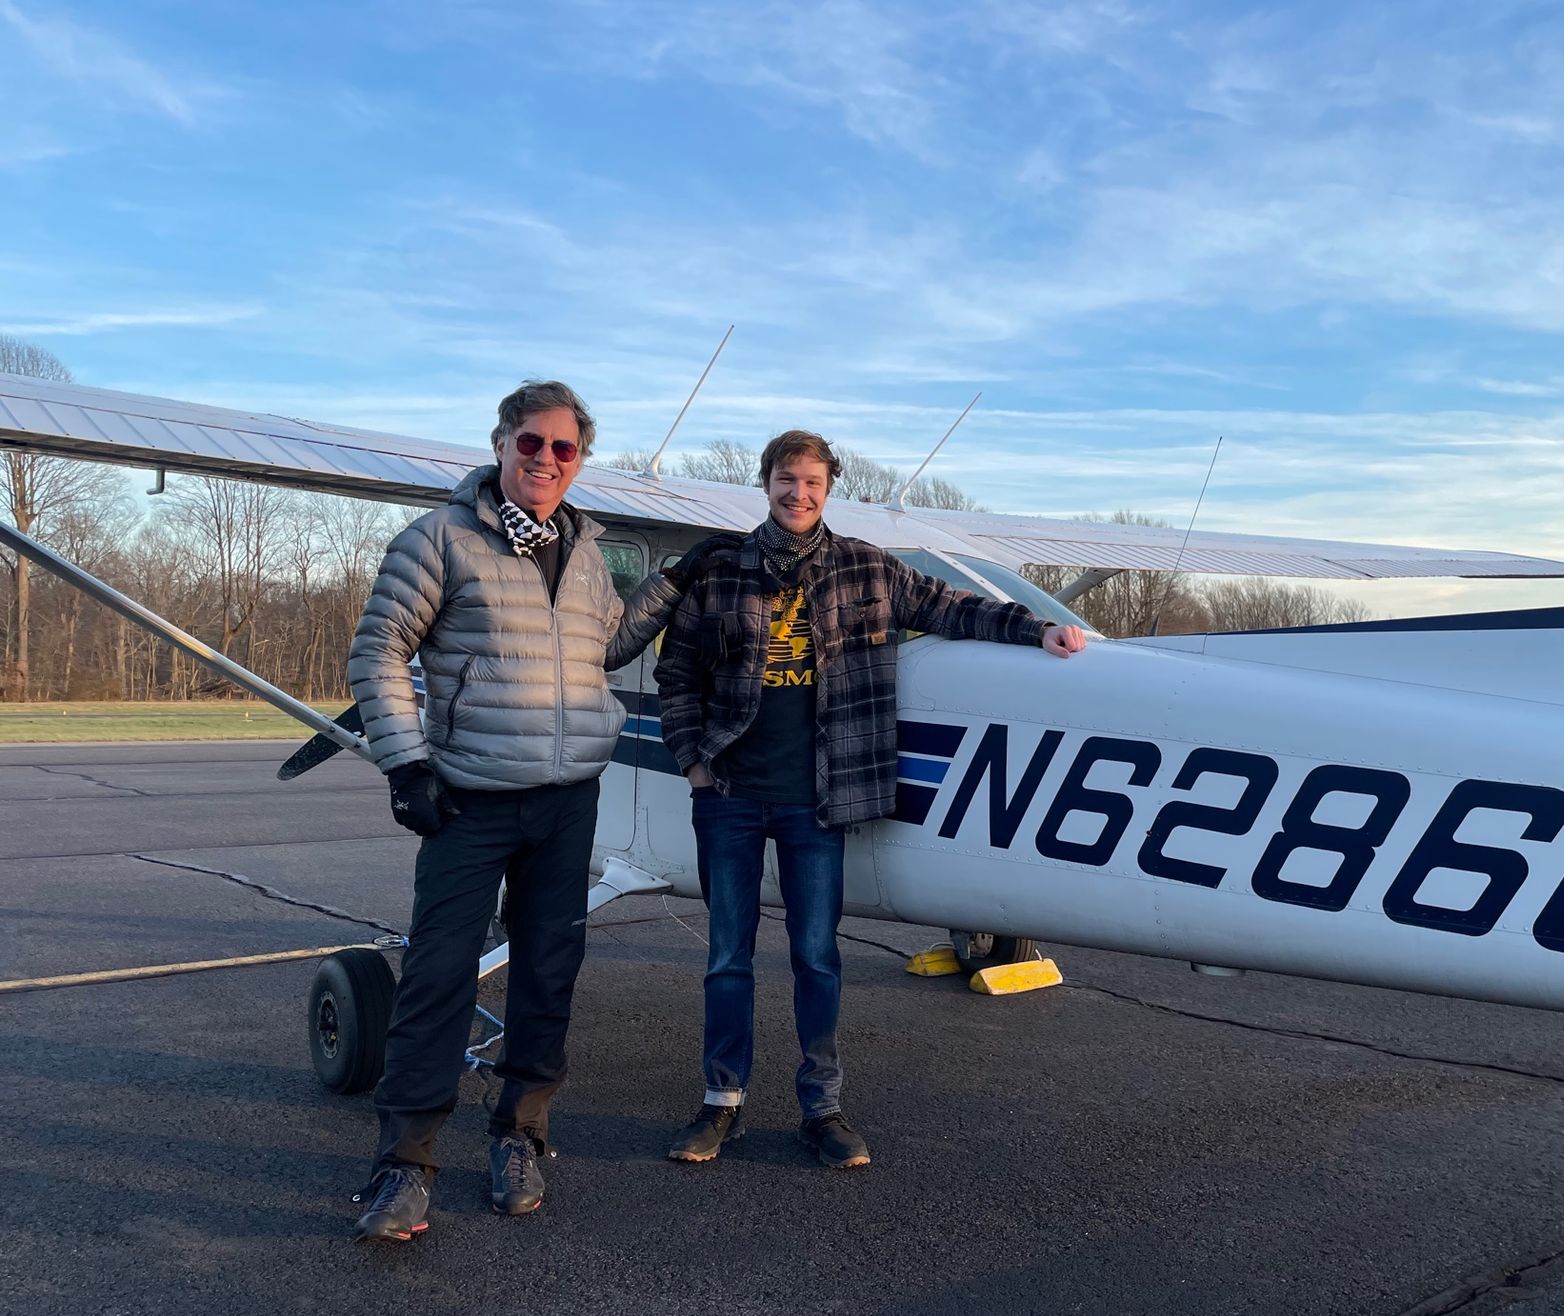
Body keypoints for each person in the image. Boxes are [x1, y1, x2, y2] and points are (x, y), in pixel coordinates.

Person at [655, 429, 1087, 1169]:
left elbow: (953, 608)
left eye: (813, 482)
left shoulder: (867, 566)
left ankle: (821, 1107)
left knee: (816, 957)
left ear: (830, 490)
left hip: (818, 797)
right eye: (787, 479)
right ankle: (720, 1103)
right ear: (766, 483)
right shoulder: (722, 572)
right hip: (728, 789)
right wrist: (694, 763)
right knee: (727, 956)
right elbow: (677, 675)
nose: (799, 493)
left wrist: (1038, 627)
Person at [345, 379, 711, 1242]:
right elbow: (379, 649)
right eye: (532, 444)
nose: (547, 460)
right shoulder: (439, 538)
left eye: (564, 449)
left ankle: (521, 1137)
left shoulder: (585, 550)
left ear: (579, 461)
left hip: (567, 797)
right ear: (502, 443)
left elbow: (605, 647)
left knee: (548, 977)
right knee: (438, 976)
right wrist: (405, 763)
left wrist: (668, 588)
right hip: (469, 798)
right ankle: (404, 1163)